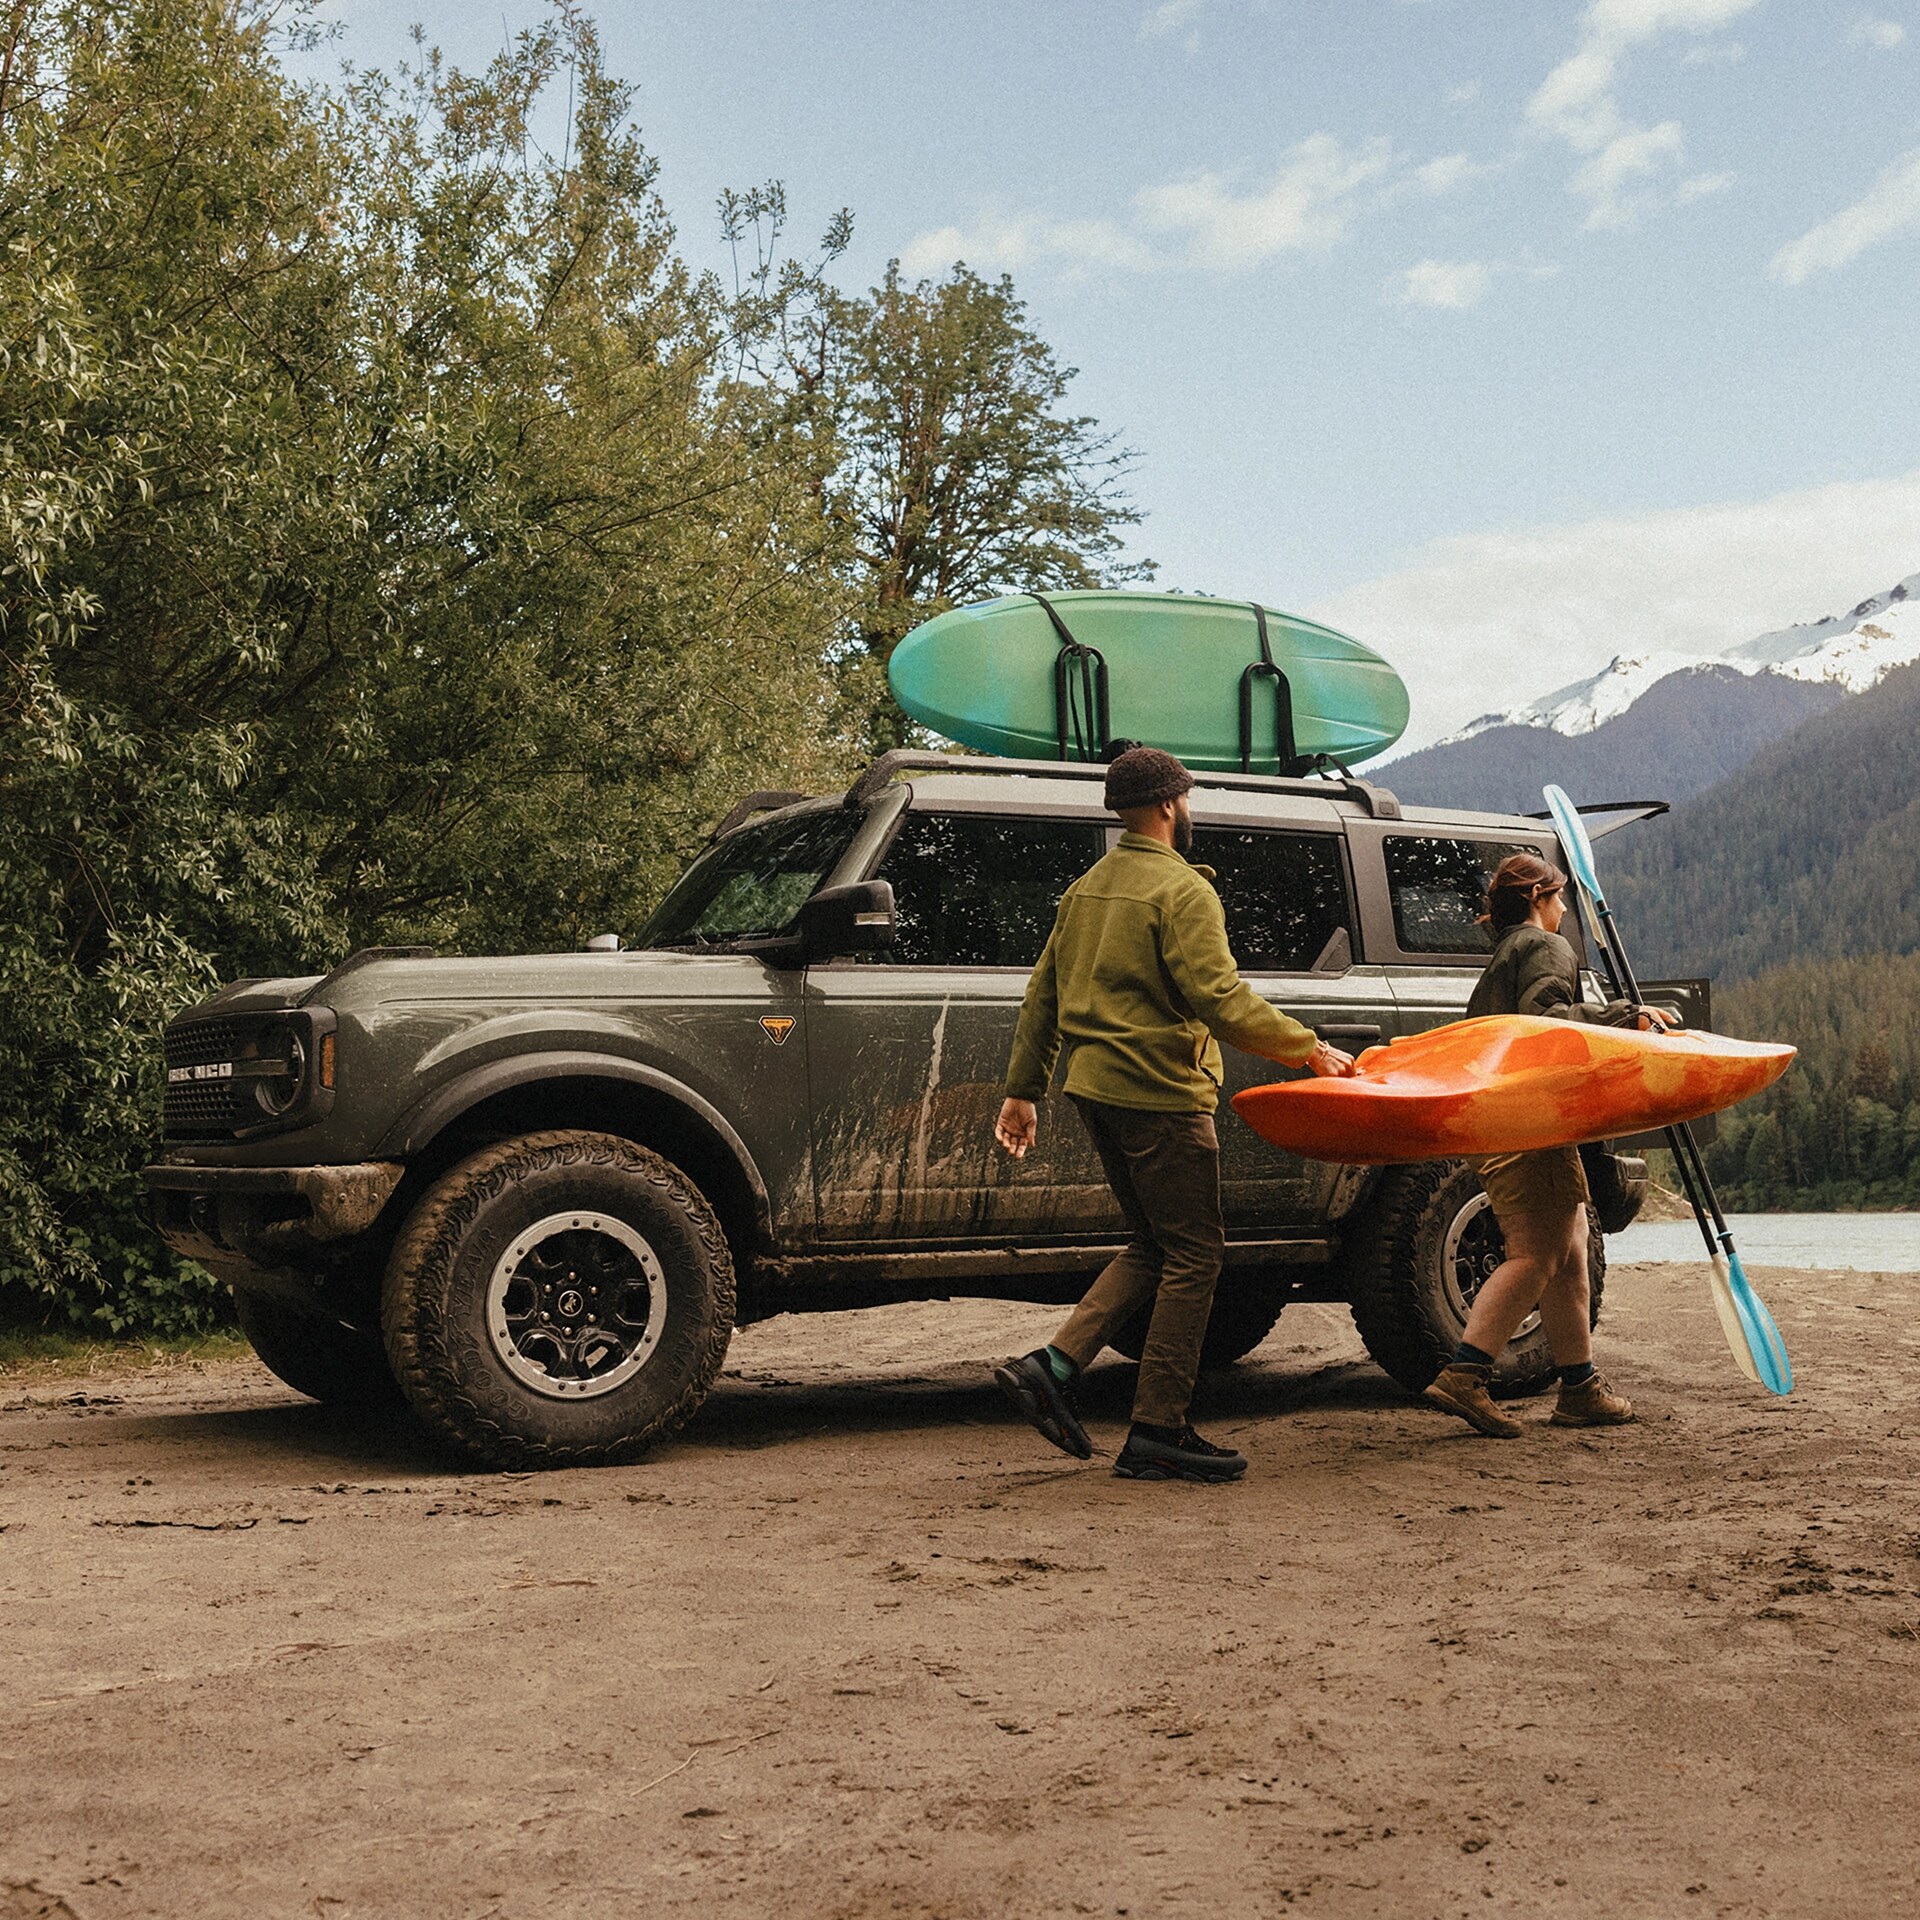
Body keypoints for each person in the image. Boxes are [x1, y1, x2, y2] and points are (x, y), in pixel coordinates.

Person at [989, 745, 1355, 1484]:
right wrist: (1309, 1049)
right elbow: (1221, 999)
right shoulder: (1182, 891)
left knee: (1158, 1243)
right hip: (1161, 1093)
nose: (1188, 810)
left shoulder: (1087, 888)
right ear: (1168, 805)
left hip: (1095, 1090)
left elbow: (1043, 997)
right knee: (1195, 1255)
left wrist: (1023, 1090)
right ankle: (1158, 1426)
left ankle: (1053, 1365)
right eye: (1185, 799)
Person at [1422, 850, 1674, 1439]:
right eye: (1557, 897)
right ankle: (1465, 1374)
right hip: (1529, 1121)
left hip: (1505, 1122)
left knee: (1571, 1248)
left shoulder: (1504, 955)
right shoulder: (1543, 947)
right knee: (1538, 1253)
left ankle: (1579, 1387)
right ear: (1538, 897)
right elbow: (1548, 1020)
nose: (1563, 908)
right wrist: (1625, 1017)